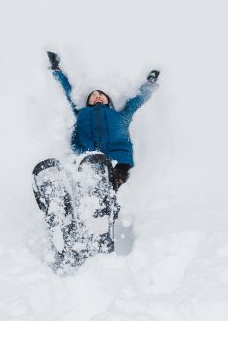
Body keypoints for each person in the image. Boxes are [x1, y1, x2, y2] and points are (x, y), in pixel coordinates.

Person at [32, 51, 159, 268]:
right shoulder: (81, 113)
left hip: (117, 164)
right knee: (87, 182)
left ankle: (98, 221)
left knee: (101, 190)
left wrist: (150, 84)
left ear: (108, 101)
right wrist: (57, 70)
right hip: (87, 164)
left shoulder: (120, 115)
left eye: (102, 95)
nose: (98, 96)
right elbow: (68, 91)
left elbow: (137, 101)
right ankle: (68, 223)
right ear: (88, 102)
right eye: (93, 96)